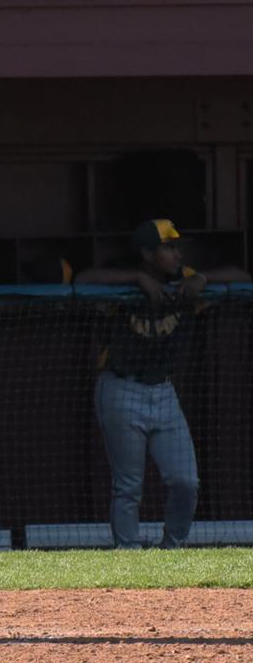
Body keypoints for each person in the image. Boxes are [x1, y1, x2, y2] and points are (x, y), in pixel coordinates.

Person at [75, 219, 249, 548]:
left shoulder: (185, 280)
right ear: (147, 254)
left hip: (164, 391)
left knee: (186, 481)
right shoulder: (123, 278)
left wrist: (204, 278)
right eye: (169, 248)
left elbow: (242, 277)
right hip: (121, 388)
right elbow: (83, 279)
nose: (177, 254)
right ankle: (128, 554)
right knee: (129, 486)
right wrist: (137, 278)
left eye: (177, 247)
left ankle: (172, 549)